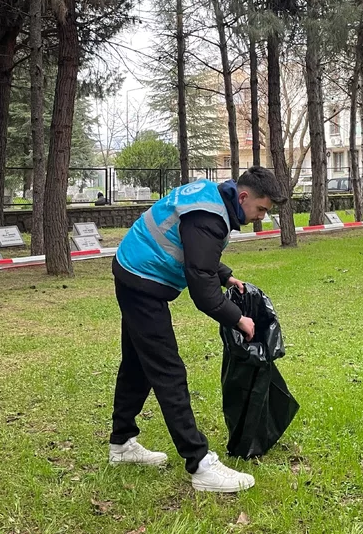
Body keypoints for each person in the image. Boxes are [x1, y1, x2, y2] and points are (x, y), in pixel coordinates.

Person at [108, 166, 285, 492]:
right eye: (261, 209)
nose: (261, 217)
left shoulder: (212, 197)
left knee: (137, 365)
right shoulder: (211, 217)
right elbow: (203, 293)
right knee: (169, 372)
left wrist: (225, 275)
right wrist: (239, 319)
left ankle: (121, 443)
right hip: (142, 281)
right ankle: (200, 465)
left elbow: (196, 249)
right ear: (243, 197)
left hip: (132, 269)